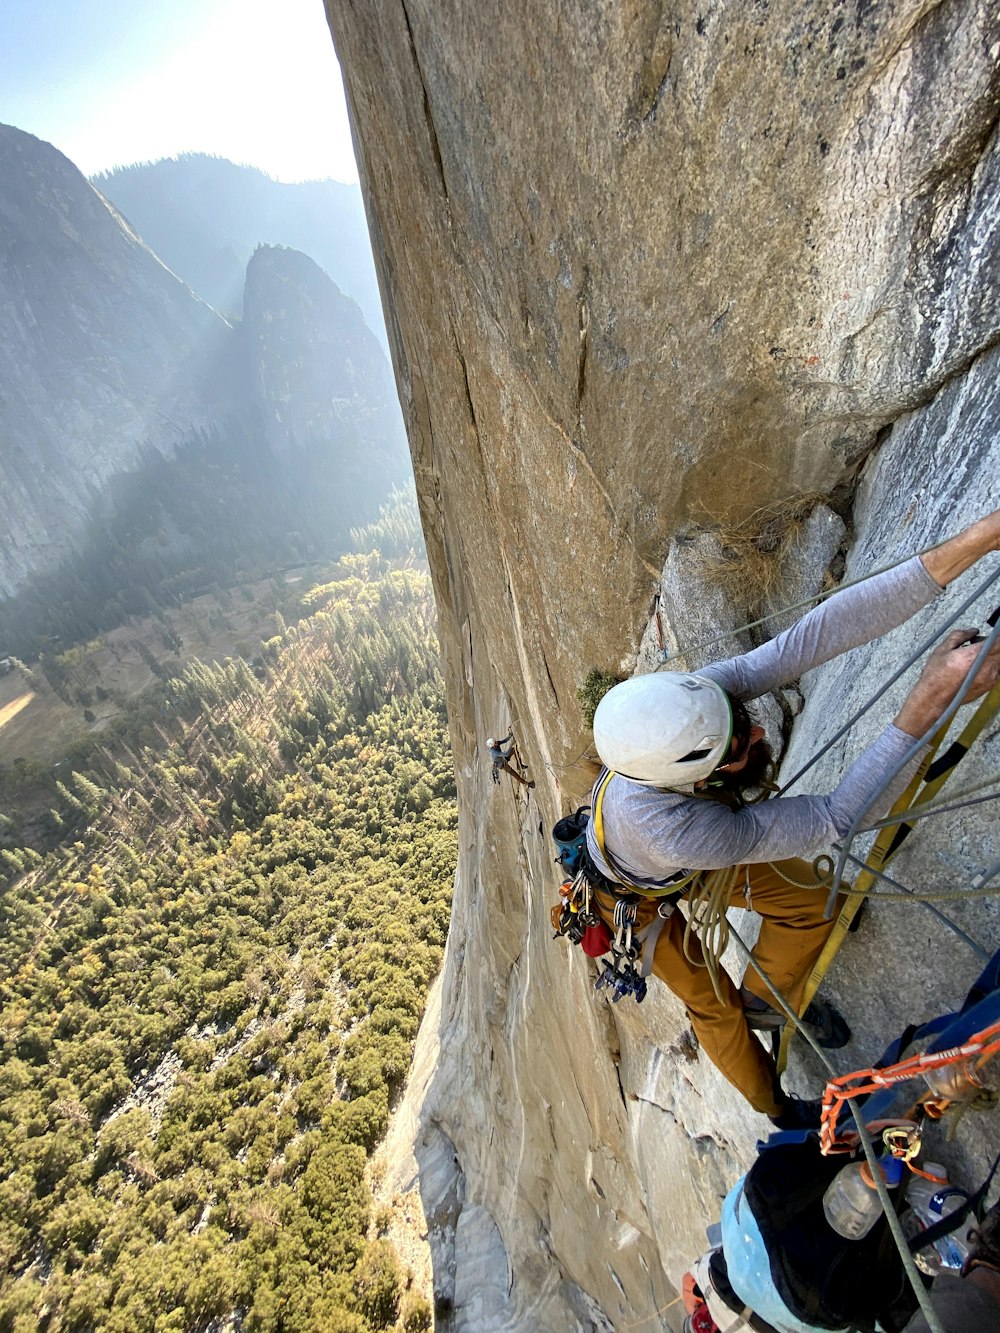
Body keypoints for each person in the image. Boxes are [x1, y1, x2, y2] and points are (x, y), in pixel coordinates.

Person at [585, 509, 1000, 1125]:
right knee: (713, 1007)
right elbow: (836, 817)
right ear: (697, 780)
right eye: (741, 749)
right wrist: (931, 701)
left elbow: (810, 639)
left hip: (667, 854)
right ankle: (777, 1108)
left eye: (739, 721)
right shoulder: (677, 825)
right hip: (631, 894)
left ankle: (770, 1000)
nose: (757, 730)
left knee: (811, 905)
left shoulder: (691, 709)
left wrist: (968, 544)